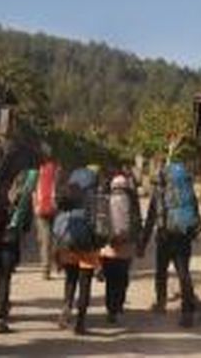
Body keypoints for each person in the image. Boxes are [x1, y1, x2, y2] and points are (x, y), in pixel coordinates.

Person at [139, 158, 201, 328]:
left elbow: (150, 220)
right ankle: (187, 311)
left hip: (165, 237)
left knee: (161, 271)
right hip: (183, 236)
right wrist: (194, 231)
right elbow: (195, 212)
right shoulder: (187, 191)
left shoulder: (159, 193)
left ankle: (161, 304)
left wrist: (142, 245)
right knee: (184, 273)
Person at [55, 167, 101, 335]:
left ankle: (67, 306)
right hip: (88, 244)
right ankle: (80, 322)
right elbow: (99, 223)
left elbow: (58, 216)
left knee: (70, 278)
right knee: (85, 283)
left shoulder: (69, 192)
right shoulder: (94, 196)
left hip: (68, 242)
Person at [0, 167, 38, 333]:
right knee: (4, 278)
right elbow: (26, 223)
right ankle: (1, 316)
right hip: (9, 238)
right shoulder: (23, 190)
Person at [100, 173, 142, 324]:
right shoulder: (132, 200)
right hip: (127, 246)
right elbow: (137, 223)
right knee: (123, 278)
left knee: (110, 280)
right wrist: (139, 244)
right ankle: (119, 304)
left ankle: (111, 308)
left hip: (109, 247)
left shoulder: (105, 199)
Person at [34, 143, 60, 280]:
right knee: (55, 237)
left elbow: (32, 189)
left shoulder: (36, 169)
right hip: (54, 207)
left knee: (44, 239)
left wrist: (34, 206)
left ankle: (45, 269)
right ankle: (56, 263)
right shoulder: (57, 169)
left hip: (40, 208)